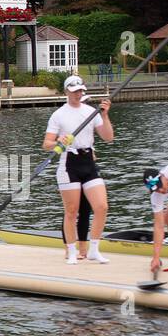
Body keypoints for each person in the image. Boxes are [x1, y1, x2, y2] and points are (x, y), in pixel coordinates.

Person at [43, 75, 113, 265]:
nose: (78, 94)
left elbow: (108, 137)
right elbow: (46, 144)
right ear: (66, 92)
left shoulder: (92, 112)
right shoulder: (58, 115)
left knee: (101, 207)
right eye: (74, 91)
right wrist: (58, 140)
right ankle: (72, 252)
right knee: (71, 211)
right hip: (69, 164)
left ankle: (94, 250)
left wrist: (105, 115)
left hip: (89, 161)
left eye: (80, 91)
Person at [145, 161, 168, 276]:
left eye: (159, 186)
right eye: (155, 189)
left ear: (162, 176)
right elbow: (159, 226)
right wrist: (156, 258)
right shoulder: (156, 195)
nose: (160, 191)